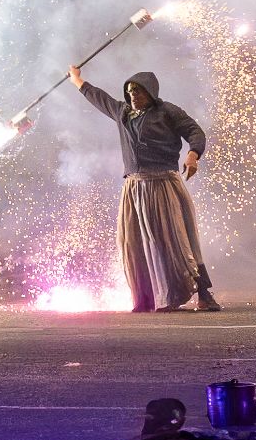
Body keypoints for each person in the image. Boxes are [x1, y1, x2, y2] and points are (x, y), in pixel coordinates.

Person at [71, 66, 220, 312]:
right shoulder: (122, 112)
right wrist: (76, 79)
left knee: (179, 241)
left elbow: (195, 131)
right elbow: (98, 97)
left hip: (163, 184)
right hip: (134, 188)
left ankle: (203, 294)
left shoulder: (167, 111)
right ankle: (146, 299)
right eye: (130, 91)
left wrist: (193, 154)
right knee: (135, 244)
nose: (133, 95)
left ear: (150, 92)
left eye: (138, 91)